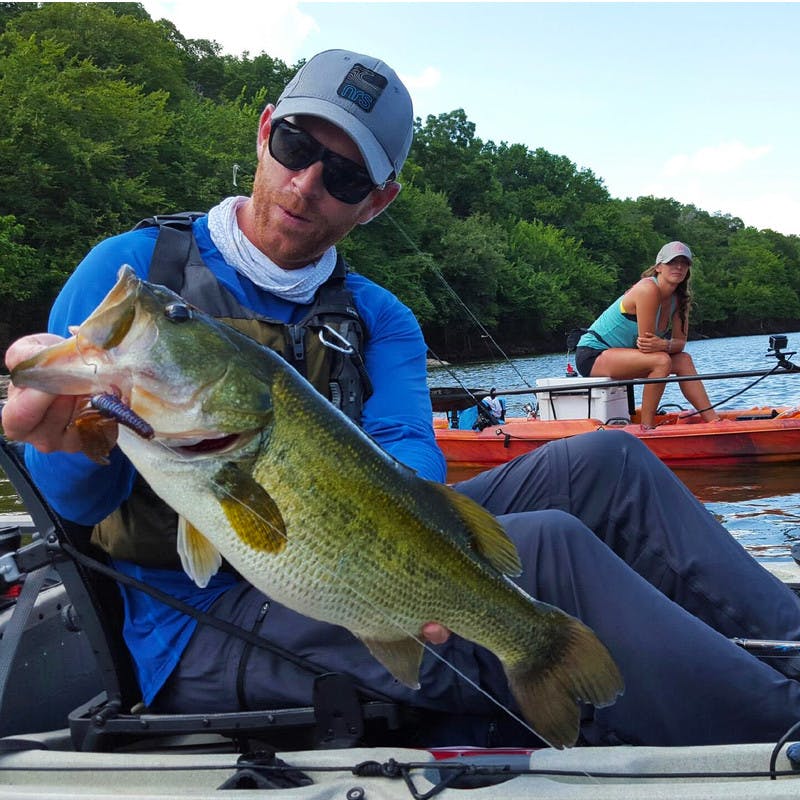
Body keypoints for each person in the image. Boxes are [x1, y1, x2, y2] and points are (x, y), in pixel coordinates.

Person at [5, 49, 800, 749]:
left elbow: (411, 454)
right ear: (264, 129)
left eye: (345, 175)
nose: (306, 183)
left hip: (339, 556)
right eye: (295, 147)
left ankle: (791, 651)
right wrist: (69, 446)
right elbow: (76, 511)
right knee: (551, 549)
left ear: (377, 200)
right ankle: (778, 723)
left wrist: (412, 554)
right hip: (198, 629)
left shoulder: (379, 315)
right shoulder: (137, 271)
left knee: (607, 463)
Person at [574, 241, 721, 430]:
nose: (678, 267)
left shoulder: (680, 300)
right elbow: (647, 346)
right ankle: (647, 428)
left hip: (623, 354)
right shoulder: (647, 289)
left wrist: (665, 345)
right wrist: (666, 345)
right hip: (593, 353)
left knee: (683, 360)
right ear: (659, 267)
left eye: (684, 263)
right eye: (672, 262)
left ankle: (714, 420)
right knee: (660, 361)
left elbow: (679, 345)